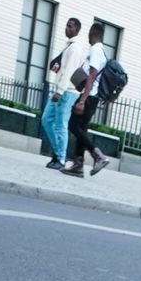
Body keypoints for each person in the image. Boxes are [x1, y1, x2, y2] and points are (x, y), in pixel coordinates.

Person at [62, 23, 113, 177]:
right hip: (91, 95)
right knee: (80, 130)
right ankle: (78, 165)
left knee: (73, 125)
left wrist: (82, 100)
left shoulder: (96, 50)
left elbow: (92, 75)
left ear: (93, 33)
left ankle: (98, 156)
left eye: (89, 33)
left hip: (89, 96)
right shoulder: (100, 51)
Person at [40, 17, 84, 171]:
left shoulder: (75, 48)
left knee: (61, 125)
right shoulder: (69, 45)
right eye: (67, 25)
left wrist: (59, 91)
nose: (67, 28)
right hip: (60, 89)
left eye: (70, 26)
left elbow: (69, 71)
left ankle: (61, 158)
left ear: (77, 30)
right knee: (46, 120)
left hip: (66, 92)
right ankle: (58, 152)